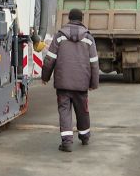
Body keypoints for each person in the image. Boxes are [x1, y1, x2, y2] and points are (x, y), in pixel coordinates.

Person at [41, 8, 100, 152]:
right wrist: (94, 83)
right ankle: (84, 136)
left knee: (64, 111)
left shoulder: (60, 36)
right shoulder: (88, 38)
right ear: (81, 19)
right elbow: (94, 62)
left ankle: (67, 142)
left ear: (69, 18)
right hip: (81, 83)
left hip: (63, 83)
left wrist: (45, 77)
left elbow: (50, 59)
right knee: (82, 110)